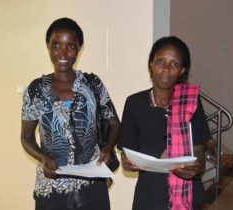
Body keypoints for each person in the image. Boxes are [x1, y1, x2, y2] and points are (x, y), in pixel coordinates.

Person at [21, 17, 120, 210]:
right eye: (56, 45)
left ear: (79, 48)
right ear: (48, 46)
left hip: (91, 187)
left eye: (70, 46)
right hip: (51, 187)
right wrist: (43, 158)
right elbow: (26, 136)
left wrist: (108, 148)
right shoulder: (35, 90)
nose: (63, 53)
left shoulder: (93, 85)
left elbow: (115, 124)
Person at [118, 36, 212, 210]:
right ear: (151, 64)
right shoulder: (134, 103)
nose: (166, 69)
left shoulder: (191, 102)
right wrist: (127, 162)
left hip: (188, 195)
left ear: (182, 70)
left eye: (174, 64)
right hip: (149, 196)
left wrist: (195, 168)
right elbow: (127, 153)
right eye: (160, 61)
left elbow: (199, 154)